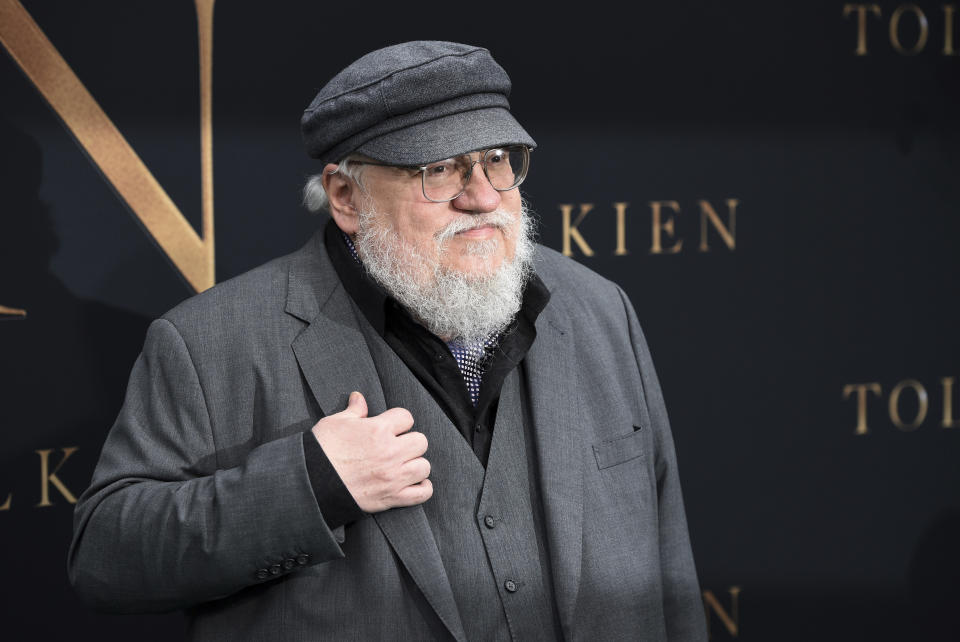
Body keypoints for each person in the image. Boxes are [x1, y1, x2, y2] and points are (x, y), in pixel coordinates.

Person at [68, 41, 707, 641]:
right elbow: (106, 557)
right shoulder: (208, 343)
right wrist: (311, 485)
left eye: (497, 161)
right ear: (346, 196)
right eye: (440, 170)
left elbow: (669, 568)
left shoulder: (598, 308)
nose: (483, 197)